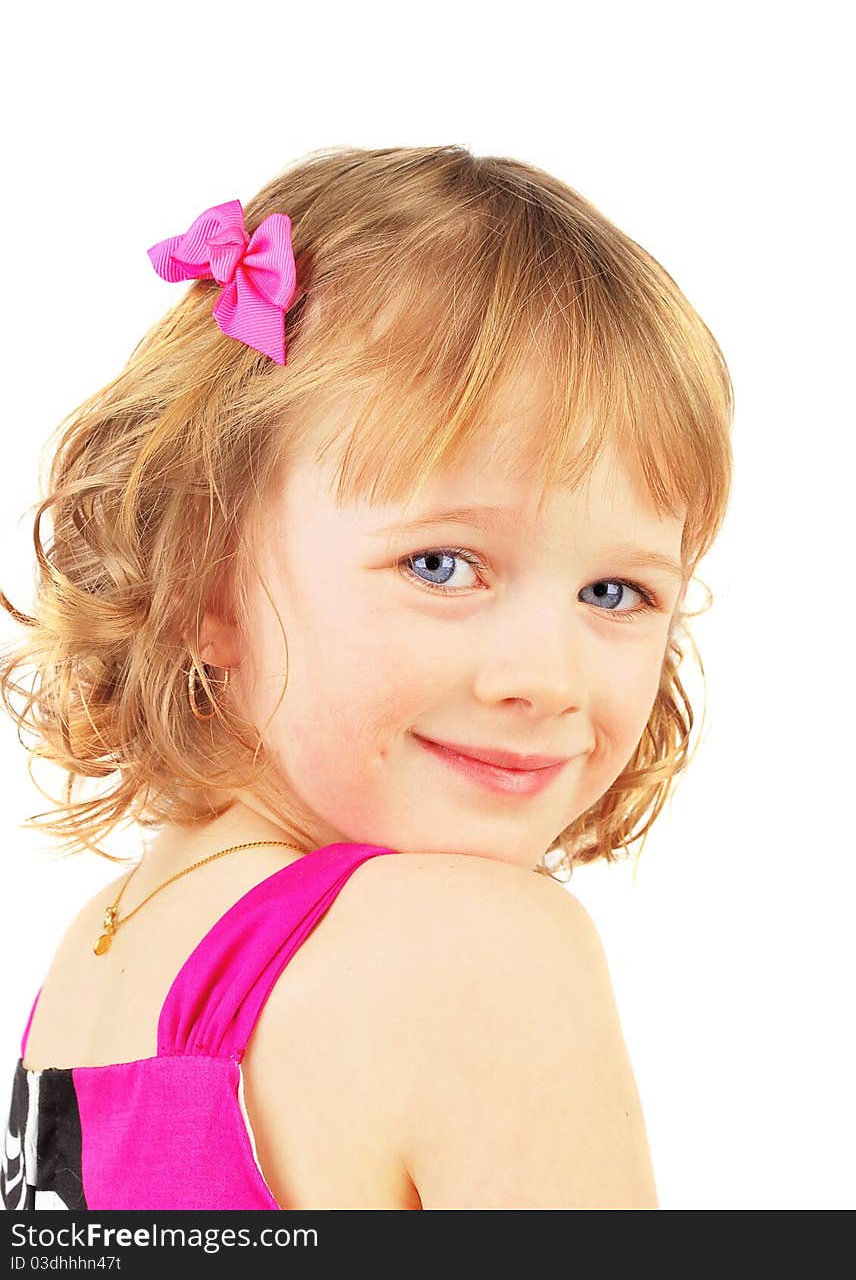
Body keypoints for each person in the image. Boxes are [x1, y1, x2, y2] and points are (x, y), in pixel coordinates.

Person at [0, 144, 733, 1210]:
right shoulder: (478, 947)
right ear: (204, 580)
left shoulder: (99, 955)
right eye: (441, 565)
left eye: (616, 593)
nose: (547, 678)